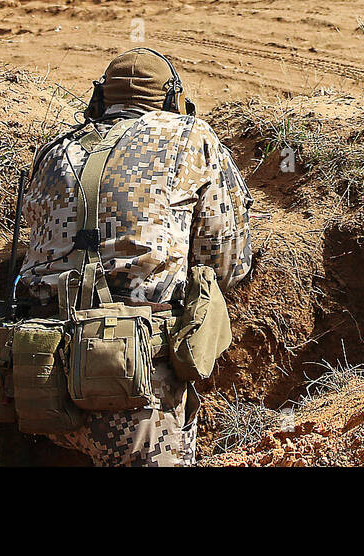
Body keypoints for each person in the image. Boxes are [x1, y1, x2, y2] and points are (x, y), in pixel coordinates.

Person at [16, 47, 253, 466]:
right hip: (135, 388)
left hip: (38, 380)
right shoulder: (190, 136)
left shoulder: (54, 151)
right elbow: (225, 263)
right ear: (171, 99)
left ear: (100, 98)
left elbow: (28, 248)